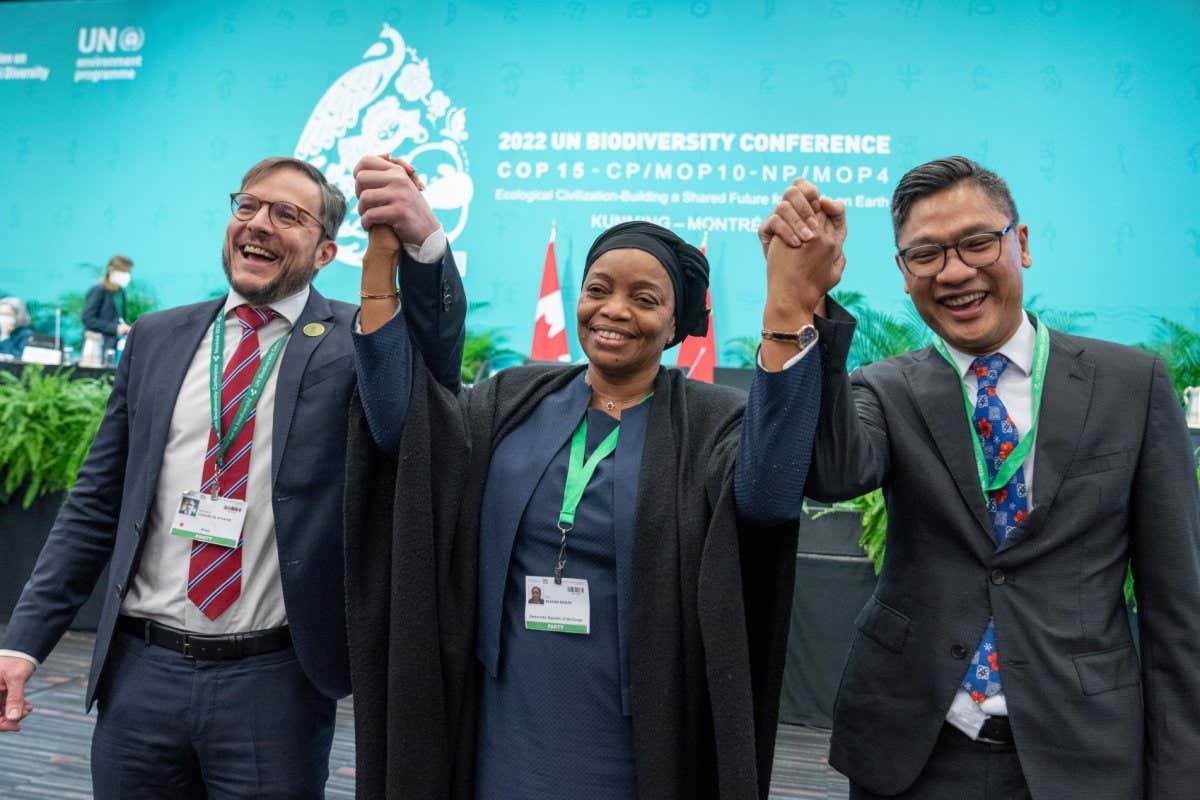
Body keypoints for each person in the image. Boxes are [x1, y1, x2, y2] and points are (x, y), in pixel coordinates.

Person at [0, 154, 467, 798]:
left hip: (273, 686)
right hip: (139, 675)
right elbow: (95, 505)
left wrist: (420, 242)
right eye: (248, 205)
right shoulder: (158, 338)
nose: (259, 223)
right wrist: (22, 644)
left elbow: (431, 372)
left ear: (326, 251)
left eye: (288, 214)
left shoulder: (354, 341)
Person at [345, 213, 839, 799]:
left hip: (634, 735)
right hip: (505, 722)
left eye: (644, 298)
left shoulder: (713, 422)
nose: (613, 310)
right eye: (597, 290)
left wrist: (787, 306)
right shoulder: (513, 398)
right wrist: (381, 265)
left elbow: (768, 496)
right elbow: (411, 432)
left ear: (677, 320)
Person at [759, 158, 1200, 799]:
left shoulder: (1132, 385)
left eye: (976, 242)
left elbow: (1176, 609)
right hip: (915, 753)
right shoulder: (885, 390)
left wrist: (1181, 781)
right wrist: (797, 300)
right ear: (905, 276)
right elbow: (828, 473)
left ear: (1019, 243)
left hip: (1081, 754)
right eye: (926, 254)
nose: (955, 271)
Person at [83, 255, 133, 355]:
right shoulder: (99, 289)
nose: (126, 275)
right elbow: (88, 318)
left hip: (114, 345)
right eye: (123, 272)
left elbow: (120, 318)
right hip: (97, 345)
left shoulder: (120, 292)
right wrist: (115, 328)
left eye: (128, 272)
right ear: (111, 269)